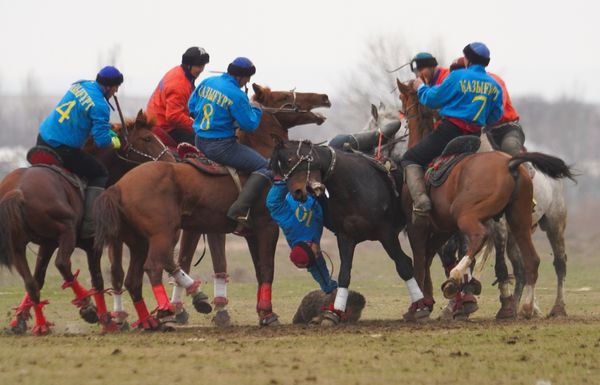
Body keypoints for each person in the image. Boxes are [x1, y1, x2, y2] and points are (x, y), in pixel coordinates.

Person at [401, 42, 504, 224]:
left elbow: (432, 100)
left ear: (468, 59)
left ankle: (421, 202)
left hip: (449, 131)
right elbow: (496, 115)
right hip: (474, 137)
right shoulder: (494, 85)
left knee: (410, 158)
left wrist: (420, 88)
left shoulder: (457, 76)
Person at [37, 66, 124, 238]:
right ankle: (89, 225)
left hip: (43, 138)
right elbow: (101, 141)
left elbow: (81, 115)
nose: (116, 91)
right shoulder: (100, 105)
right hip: (62, 149)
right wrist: (113, 140)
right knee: (100, 172)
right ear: (107, 86)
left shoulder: (80, 85)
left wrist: (104, 127)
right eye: (115, 87)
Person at [189, 57, 269, 226]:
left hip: (199, 140)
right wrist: (255, 109)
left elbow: (191, 107)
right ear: (240, 77)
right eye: (247, 78)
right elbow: (249, 125)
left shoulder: (207, 82)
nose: (247, 82)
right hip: (221, 147)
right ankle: (239, 209)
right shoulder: (237, 95)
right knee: (265, 167)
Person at [266, 179, 338, 294]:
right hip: (321, 203)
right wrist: (330, 289)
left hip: (302, 189)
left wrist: (283, 182)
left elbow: (273, 203)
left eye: (316, 254)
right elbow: (316, 268)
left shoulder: (289, 225)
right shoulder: (310, 253)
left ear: (307, 245)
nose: (318, 254)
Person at [450, 57, 524, 156]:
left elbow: (497, 106)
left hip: (506, 128)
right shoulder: (460, 87)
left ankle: (527, 168)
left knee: (509, 146)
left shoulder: (493, 81)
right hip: (484, 131)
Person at [147, 47, 210, 146]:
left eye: (203, 65)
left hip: (161, 119)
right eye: (199, 66)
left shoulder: (181, 72)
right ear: (189, 65)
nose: (201, 69)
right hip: (164, 127)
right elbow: (173, 116)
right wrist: (198, 126)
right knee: (205, 143)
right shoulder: (179, 84)